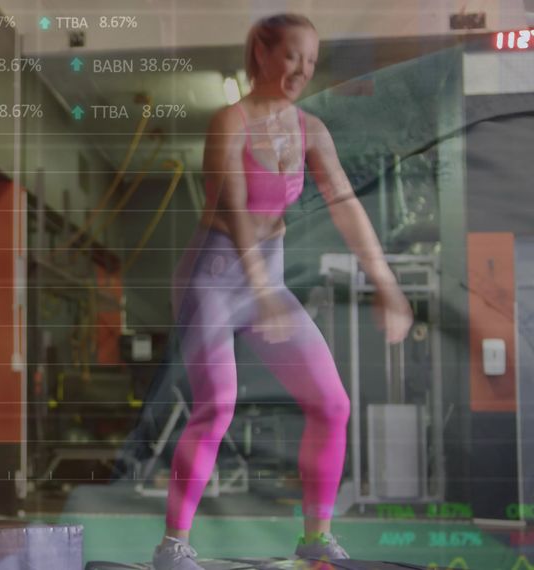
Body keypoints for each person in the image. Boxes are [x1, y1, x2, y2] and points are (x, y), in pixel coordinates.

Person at [153, 14, 413, 568]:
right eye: (293, 55)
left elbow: (345, 206)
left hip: (264, 280)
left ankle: (315, 536)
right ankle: (173, 543)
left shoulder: (311, 130)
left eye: (312, 61)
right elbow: (233, 208)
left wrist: (386, 283)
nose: (302, 70)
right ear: (262, 53)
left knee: (332, 404)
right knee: (216, 405)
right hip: (215, 279)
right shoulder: (230, 122)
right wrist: (260, 290)